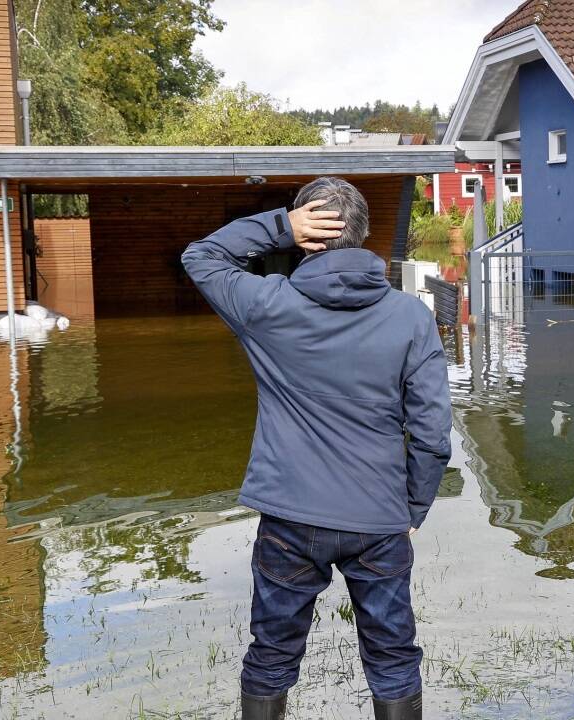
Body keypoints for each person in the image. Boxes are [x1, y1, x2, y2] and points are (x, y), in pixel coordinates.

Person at [181, 177, 452, 720]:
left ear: (309, 236)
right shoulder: (410, 317)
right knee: (393, 656)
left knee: (272, 652)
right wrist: (414, 508)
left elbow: (203, 256)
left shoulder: (266, 305)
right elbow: (431, 433)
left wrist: (280, 226)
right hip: (378, 518)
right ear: (365, 234)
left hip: (289, 518)